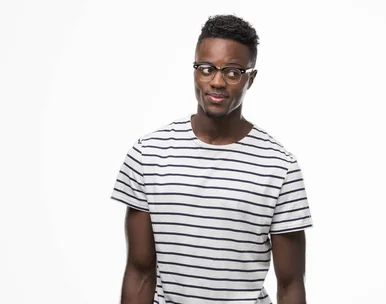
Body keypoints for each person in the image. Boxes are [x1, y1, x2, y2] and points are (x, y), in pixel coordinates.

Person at [110, 14, 313, 304]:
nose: (217, 82)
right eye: (206, 69)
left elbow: (291, 284)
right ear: (194, 71)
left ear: (250, 78)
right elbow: (140, 271)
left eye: (232, 72)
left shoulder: (279, 167)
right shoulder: (148, 155)